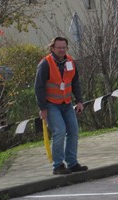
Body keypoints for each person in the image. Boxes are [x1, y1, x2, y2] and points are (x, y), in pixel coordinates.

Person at [35, 36, 88, 175]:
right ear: (52, 48)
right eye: (58, 47)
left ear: (67, 48)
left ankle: (72, 163)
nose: (61, 50)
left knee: (73, 132)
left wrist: (79, 101)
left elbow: (75, 82)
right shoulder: (45, 64)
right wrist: (43, 108)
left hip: (66, 103)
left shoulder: (70, 61)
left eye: (63, 47)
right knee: (59, 131)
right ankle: (58, 166)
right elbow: (39, 87)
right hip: (51, 104)